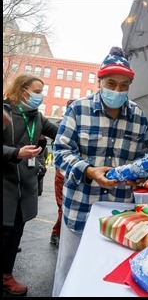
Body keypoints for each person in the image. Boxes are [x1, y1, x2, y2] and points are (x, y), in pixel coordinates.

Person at [51, 47, 148, 297]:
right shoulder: (78, 109)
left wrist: (143, 172)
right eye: (111, 83)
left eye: (124, 85)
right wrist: (89, 171)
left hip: (119, 211)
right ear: (100, 81)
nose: (117, 91)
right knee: (70, 266)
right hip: (80, 206)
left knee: (109, 269)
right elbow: (61, 152)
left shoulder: (138, 115)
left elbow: (146, 154)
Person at [3, 73, 58, 296]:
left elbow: (62, 133)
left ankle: (6, 276)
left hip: (25, 186)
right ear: (22, 90)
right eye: (36, 92)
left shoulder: (38, 117)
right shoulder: (5, 111)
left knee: (16, 231)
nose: (40, 96)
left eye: (40, 92)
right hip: (5, 183)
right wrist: (16, 152)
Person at [50, 99, 75, 247]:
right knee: (63, 207)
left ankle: (61, 235)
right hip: (63, 172)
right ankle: (56, 234)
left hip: (77, 173)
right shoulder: (61, 125)